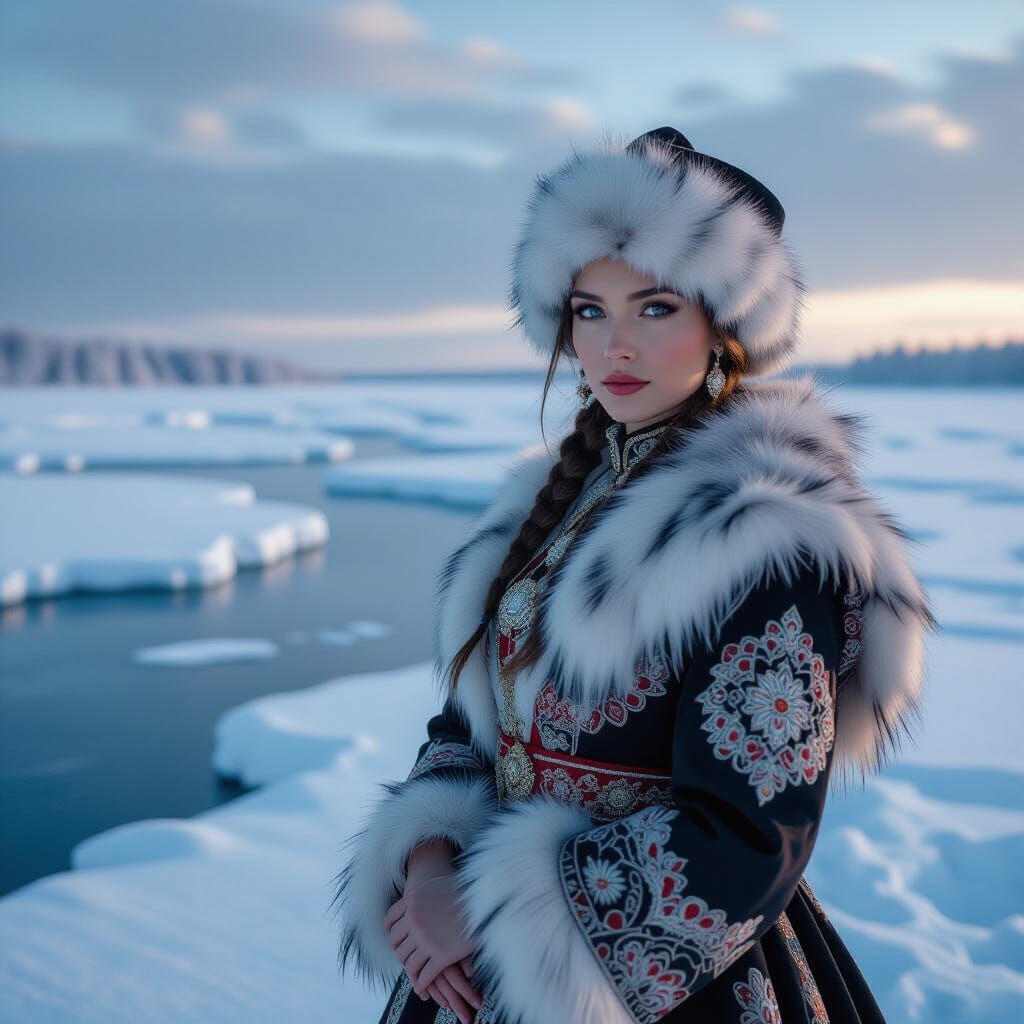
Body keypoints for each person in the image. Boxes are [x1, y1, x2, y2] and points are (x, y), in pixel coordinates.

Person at [330, 127, 936, 1024]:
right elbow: (473, 721)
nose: (614, 344)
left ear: (724, 323)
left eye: (654, 308)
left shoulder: (763, 537)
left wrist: (492, 911)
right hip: (474, 955)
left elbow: (746, 834)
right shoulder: (549, 506)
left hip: (655, 974)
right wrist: (427, 862)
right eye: (588, 309)